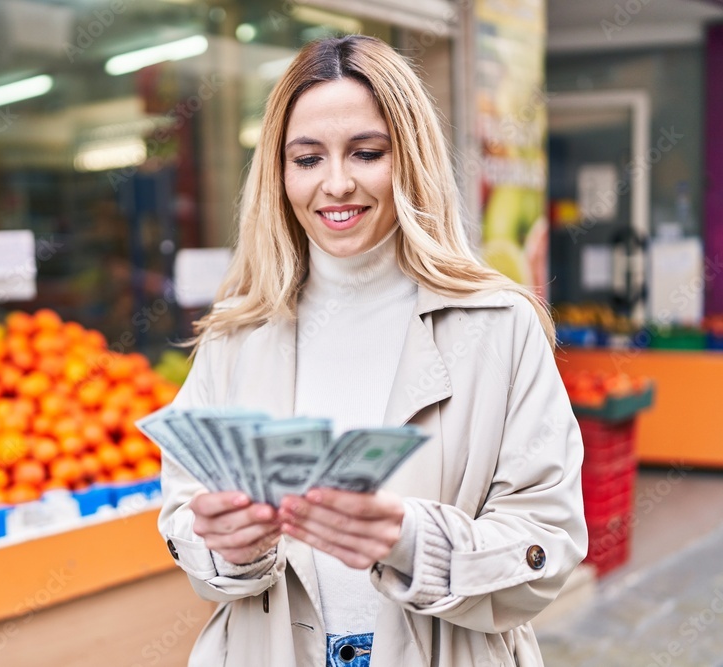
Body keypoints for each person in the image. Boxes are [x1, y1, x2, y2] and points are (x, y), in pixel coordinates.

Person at [158, 35, 587, 666]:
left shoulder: (500, 327)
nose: (336, 184)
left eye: (366, 153)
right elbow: (184, 514)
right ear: (278, 173)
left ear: (410, 157)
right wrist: (227, 547)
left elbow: (546, 543)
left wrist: (415, 540)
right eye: (307, 159)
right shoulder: (234, 334)